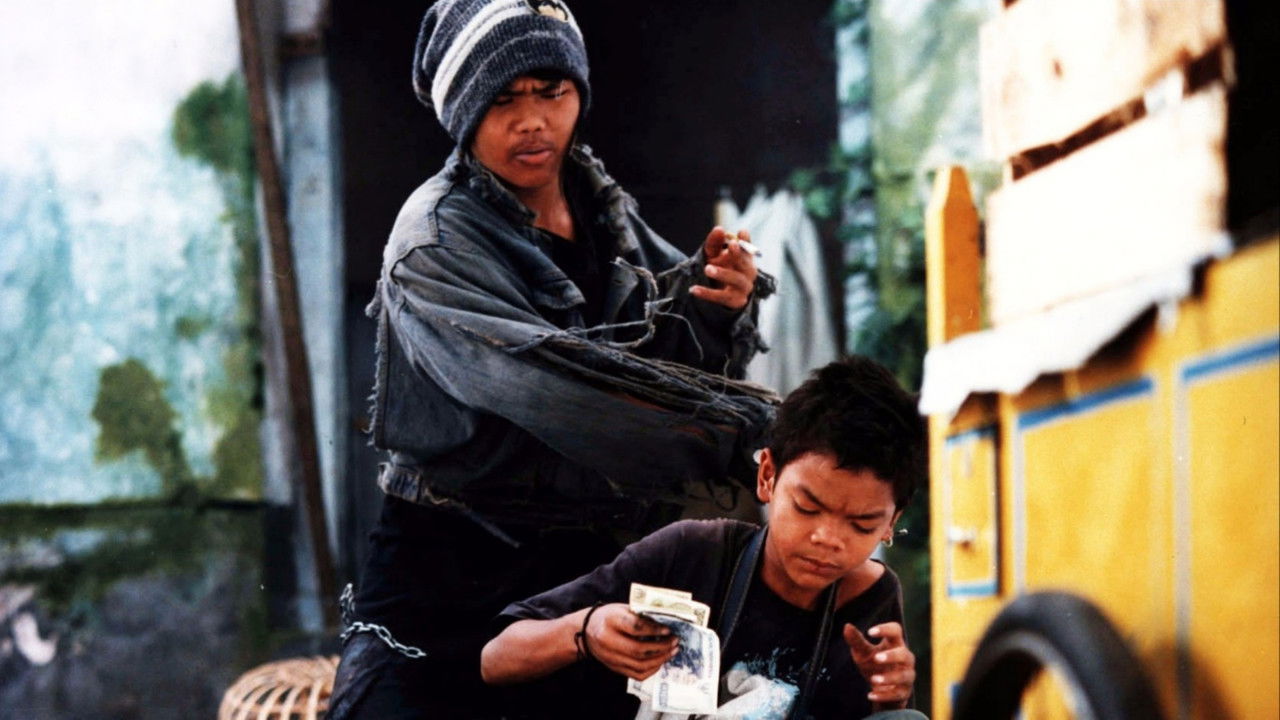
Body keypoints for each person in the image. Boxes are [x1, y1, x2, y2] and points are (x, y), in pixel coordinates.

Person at [328, 0, 779, 717]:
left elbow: (668, 351)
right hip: (452, 566)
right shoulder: (433, 241)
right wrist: (751, 435)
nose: (533, 121)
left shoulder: (602, 209)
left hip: (583, 566)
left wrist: (716, 301)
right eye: (503, 100)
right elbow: (559, 391)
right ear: (463, 113)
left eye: (552, 91)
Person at [482, 356, 929, 720]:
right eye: (807, 507)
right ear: (768, 477)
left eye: (862, 524)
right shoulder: (692, 552)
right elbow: (494, 658)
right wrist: (586, 630)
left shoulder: (872, 598)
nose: (827, 539)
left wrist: (890, 697)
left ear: (892, 521)